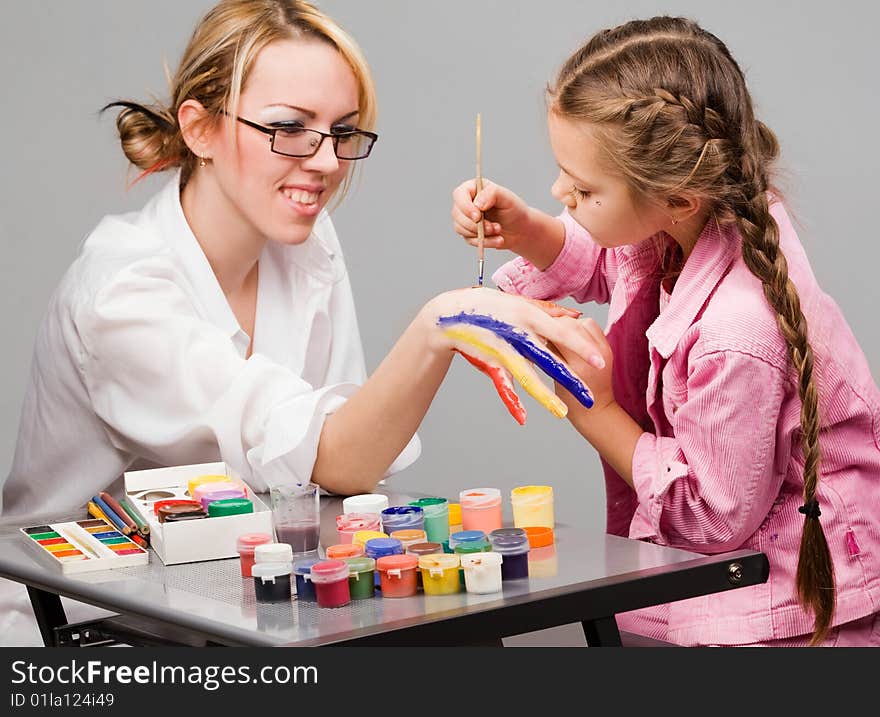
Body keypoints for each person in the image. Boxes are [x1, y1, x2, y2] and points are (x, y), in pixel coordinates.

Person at [0, 0, 598, 645]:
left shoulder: (305, 242)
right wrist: (443, 323)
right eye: (288, 128)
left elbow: (345, 476)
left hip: (247, 602)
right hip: (91, 631)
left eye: (342, 132)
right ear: (199, 129)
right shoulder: (123, 292)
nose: (325, 162)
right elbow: (335, 457)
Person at [451, 16, 880, 646]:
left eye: (583, 188)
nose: (557, 191)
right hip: (746, 584)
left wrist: (591, 404)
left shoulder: (739, 330)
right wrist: (530, 232)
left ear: (677, 196)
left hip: (787, 617)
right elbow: (612, 256)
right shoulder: (690, 218)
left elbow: (713, 519)